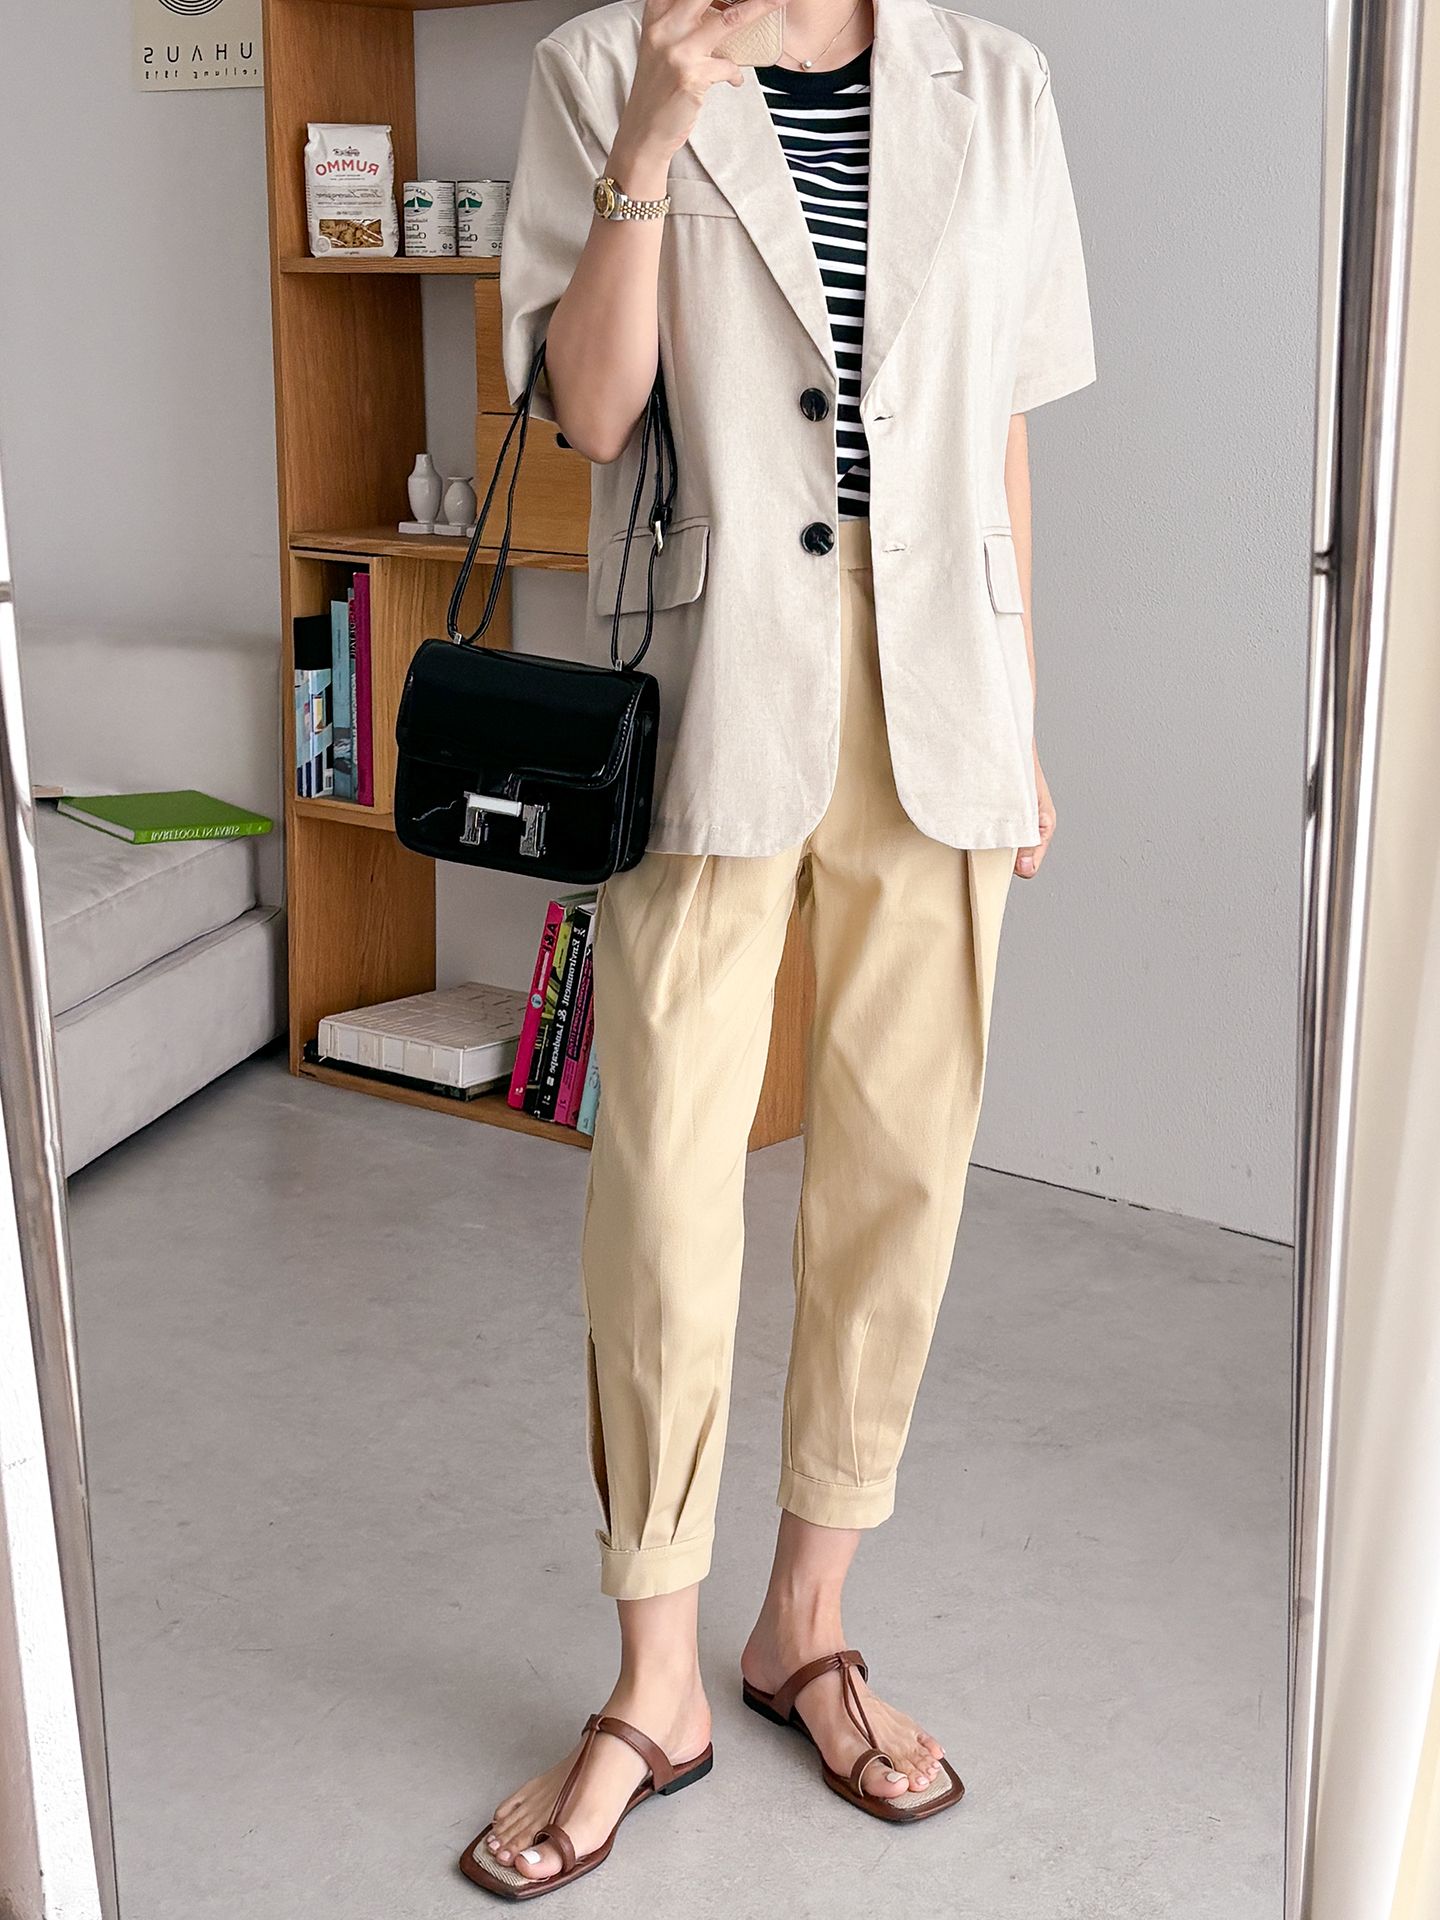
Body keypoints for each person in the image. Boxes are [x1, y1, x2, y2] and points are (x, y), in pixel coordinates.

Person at [463, 0, 1095, 1897]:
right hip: (709, 693)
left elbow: (996, 432)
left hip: (938, 704)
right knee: (664, 1186)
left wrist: (1023, 716)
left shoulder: (1001, 87)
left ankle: (801, 1625)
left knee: (899, 1178)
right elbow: (589, 414)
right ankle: (653, 1680)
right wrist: (651, 142)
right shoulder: (603, 66)